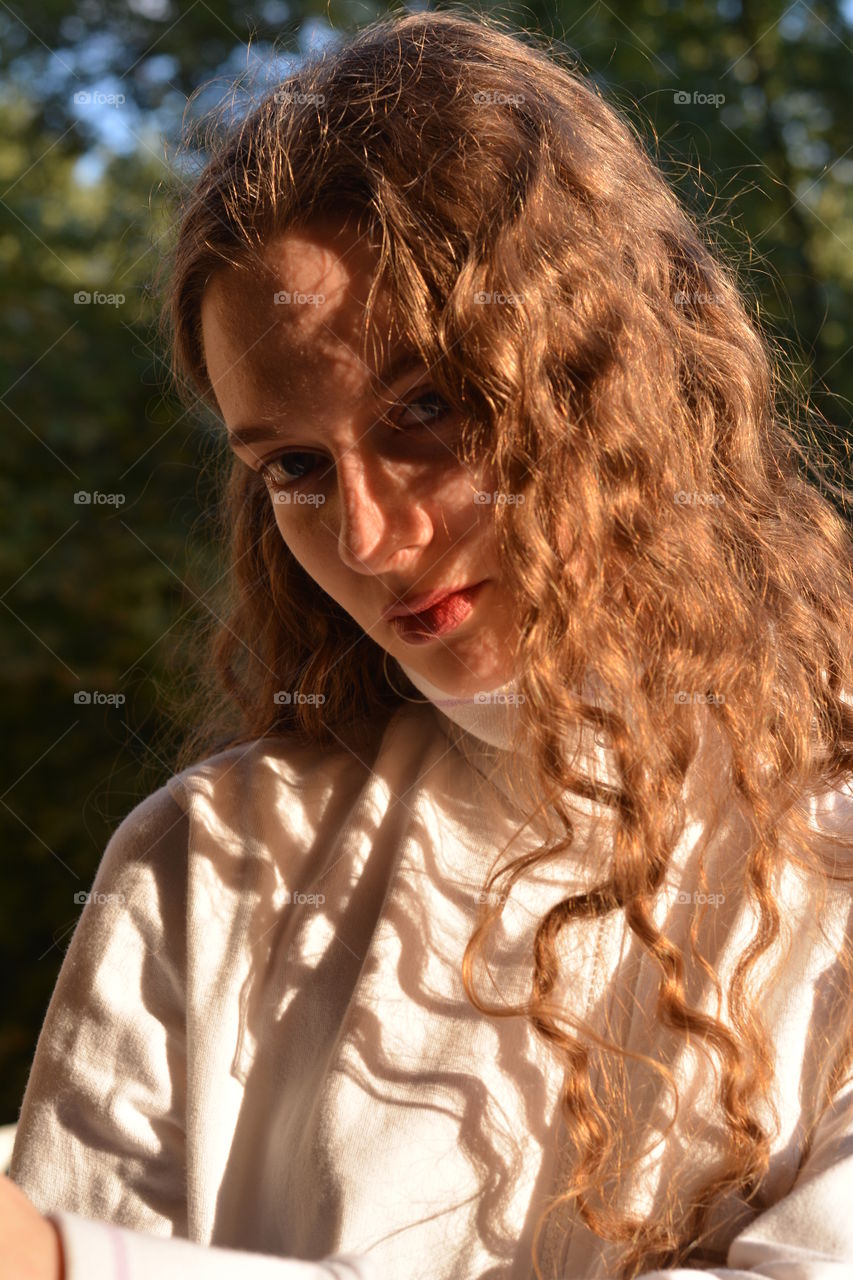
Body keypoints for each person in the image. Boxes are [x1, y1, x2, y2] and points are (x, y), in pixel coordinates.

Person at [6, 8, 853, 1280]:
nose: (364, 532)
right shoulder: (211, 858)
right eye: (292, 463)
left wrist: (79, 1263)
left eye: (428, 409)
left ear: (609, 382)